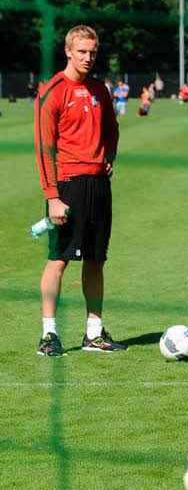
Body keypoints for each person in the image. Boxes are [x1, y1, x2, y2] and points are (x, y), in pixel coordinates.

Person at [34, 25, 124, 356]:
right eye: (82, 52)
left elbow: (113, 130)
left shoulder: (101, 90)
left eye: (93, 52)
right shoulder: (53, 90)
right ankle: (49, 335)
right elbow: (44, 149)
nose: (88, 58)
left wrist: (109, 157)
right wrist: (52, 196)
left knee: (96, 260)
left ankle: (94, 334)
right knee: (58, 260)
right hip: (68, 187)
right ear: (68, 51)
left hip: (99, 185)